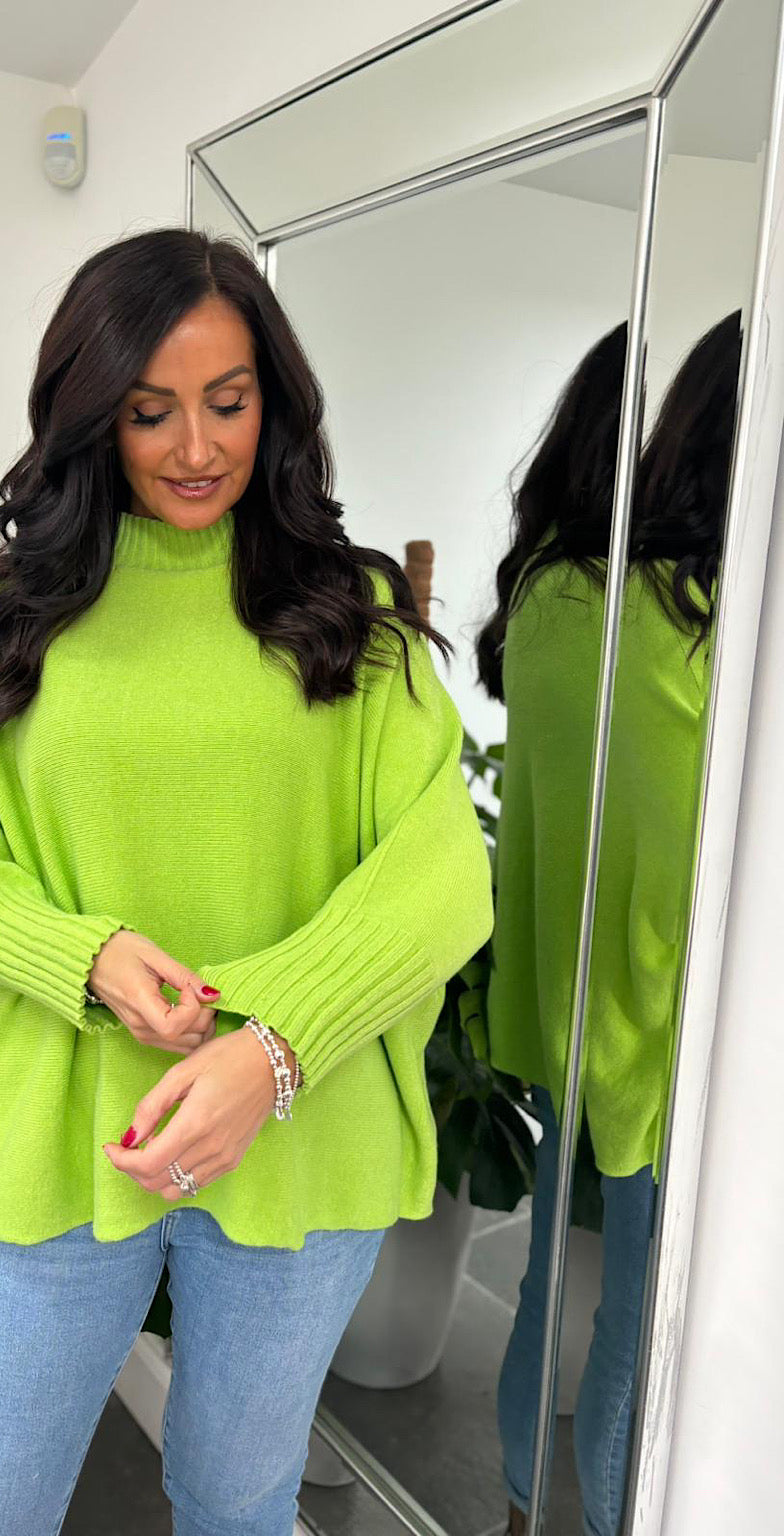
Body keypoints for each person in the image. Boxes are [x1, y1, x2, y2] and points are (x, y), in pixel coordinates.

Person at [0, 226, 494, 1535]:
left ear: (275, 401)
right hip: (54, 1128)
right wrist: (89, 957)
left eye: (229, 401)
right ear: (92, 417)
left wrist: (271, 1044)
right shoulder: (25, 615)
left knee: (236, 1500)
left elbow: (444, 875)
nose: (197, 447)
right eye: (150, 411)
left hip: (297, 1129)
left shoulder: (353, 615)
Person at [476, 312, 739, 1536]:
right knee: (639, 1319)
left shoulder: (553, 594)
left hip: (556, 995)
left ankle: (521, 1508)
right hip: (663, 1018)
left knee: (547, 1281)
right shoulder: (707, 617)